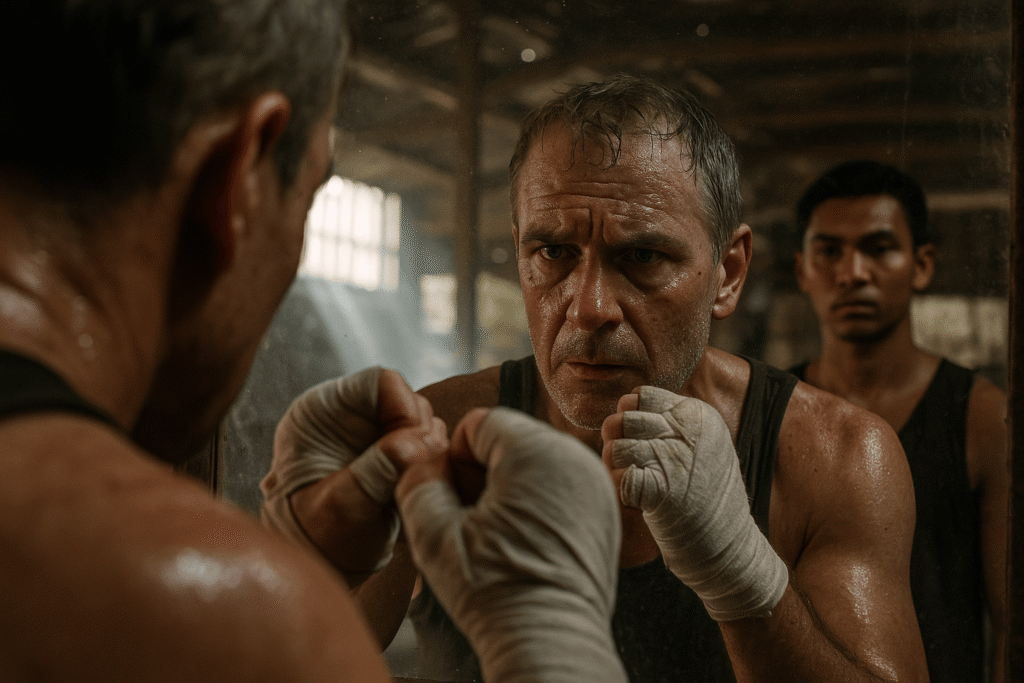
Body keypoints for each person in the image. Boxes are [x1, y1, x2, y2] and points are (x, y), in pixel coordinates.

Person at [0, 2, 630, 682]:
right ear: (239, 176)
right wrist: (555, 654)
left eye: (644, 257)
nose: (592, 308)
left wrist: (309, 562)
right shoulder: (211, 618)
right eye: (309, 193)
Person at [264, 74, 930, 682]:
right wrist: (305, 554)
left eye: (642, 255)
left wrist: (744, 578)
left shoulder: (836, 458)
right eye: (553, 251)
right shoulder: (439, 438)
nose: (588, 307)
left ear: (728, 273)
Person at [789, 160, 1008, 683]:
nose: (853, 273)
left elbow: (1012, 624)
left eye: (879, 248)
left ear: (921, 265)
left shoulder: (980, 416)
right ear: (803, 271)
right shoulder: (776, 411)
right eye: (829, 251)